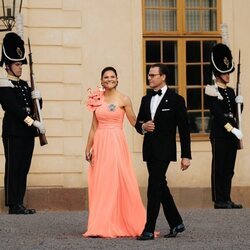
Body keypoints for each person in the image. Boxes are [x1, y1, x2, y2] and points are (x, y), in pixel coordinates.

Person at [83, 66, 145, 238]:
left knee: (116, 180)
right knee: (101, 181)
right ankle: (100, 224)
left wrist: (146, 126)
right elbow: (94, 127)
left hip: (116, 142)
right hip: (101, 141)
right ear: (101, 80)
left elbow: (134, 122)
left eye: (112, 77)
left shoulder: (124, 99)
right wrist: (88, 147)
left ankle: (121, 221)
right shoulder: (96, 99)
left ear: (117, 79)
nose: (109, 79)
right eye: (106, 77)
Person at [135, 63, 192, 240]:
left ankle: (149, 229)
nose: (149, 78)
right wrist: (143, 126)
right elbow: (138, 124)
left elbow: (184, 129)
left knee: (153, 187)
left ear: (163, 77)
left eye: (153, 75)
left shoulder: (176, 100)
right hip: (149, 150)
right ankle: (176, 222)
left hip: (165, 151)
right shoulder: (146, 99)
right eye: (149, 75)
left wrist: (186, 155)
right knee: (161, 186)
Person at [0, 32, 45, 214]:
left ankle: (19, 201)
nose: (20, 68)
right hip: (13, 131)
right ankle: (12, 204)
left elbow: (34, 108)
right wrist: (33, 123)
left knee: (24, 167)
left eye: (21, 64)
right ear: (8, 66)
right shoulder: (4, 85)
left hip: (27, 133)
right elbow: (13, 109)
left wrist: (39, 99)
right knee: (13, 167)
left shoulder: (25, 84)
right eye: (17, 64)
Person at [205, 43, 243, 209]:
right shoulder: (211, 90)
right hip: (220, 132)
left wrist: (240, 104)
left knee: (229, 167)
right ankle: (218, 199)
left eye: (228, 72)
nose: (227, 75)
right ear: (217, 73)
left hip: (232, 132)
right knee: (219, 167)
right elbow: (218, 115)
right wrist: (231, 129)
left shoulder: (230, 91)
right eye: (224, 72)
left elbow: (235, 113)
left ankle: (227, 197)